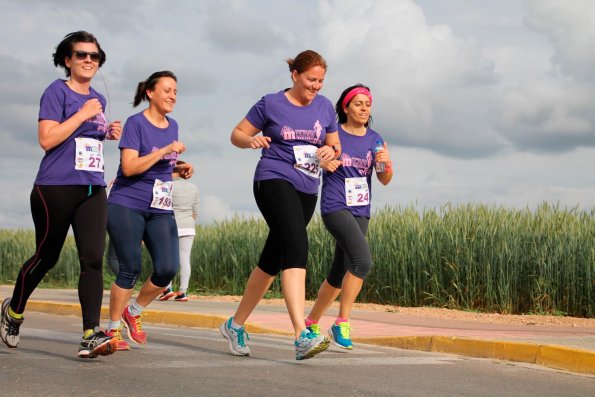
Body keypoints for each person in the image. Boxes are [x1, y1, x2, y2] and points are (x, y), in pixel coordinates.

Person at [0, 31, 122, 358]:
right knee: (46, 257)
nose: (87, 60)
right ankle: (13, 312)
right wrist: (83, 115)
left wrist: (106, 132)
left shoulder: (99, 98)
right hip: (54, 188)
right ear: (67, 60)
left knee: (93, 259)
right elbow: (47, 138)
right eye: (80, 55)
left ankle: (90, 334)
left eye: (93, 56)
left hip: (93, 188)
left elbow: (85, 140)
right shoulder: (57, 92)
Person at [219, 50, 340, 360]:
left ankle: (235, 324)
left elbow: (334, 145)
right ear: (295, 75)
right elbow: (237, 133)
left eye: (321, 81)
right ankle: (301, 335)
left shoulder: (325, 108)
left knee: (272, 259)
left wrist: (330, 154)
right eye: (311, 79)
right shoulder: (271, 103)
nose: (316, 86)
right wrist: (251, 141)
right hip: (273, 178)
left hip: (307, 186)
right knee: (297, 244)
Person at [105, 71, 193, 350]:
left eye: (176, 91)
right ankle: (112, 329)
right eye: (167, 90)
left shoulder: (173, 125)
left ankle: (134, 312)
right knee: (129, 268)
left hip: (159, 206)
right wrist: (166, 149)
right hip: (127, 203)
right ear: (150, 93)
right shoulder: (135, 124)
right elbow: (130, 167)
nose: (172, 96)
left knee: (167, 269)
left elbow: (160, 166)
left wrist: (179, 168)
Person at [305, 84, 393, 350]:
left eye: (368, 104)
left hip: (361, 209)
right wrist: (322, 159)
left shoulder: (375, 139)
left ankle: (311, 322)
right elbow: (314, 159)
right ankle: (341, 322)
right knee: (362, 261)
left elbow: (384, 179)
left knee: (338, 271)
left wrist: (387, 163)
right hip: (335, 206)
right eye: (358, 103)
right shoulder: (334, 135)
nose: (364, 108)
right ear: (345, 107)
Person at [158, 160, 200, 302]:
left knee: (166, 258)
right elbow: (195, 211)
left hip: (171, 224)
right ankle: (183, 292)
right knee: (185, 259)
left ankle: (167, 288)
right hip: (188, 226)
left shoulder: (168, 186)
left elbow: (161, 207)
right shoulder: (193, 187)